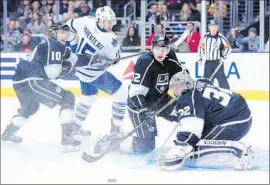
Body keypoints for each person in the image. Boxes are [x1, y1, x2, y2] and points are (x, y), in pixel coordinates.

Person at [1, 23, 96, 152]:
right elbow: (53, 72)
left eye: (66, 34)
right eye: (62, 33)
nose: (65, 36)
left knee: (30, 108)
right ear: (54, 34)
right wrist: (67, 68)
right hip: (32, 79)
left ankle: (8, 134)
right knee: (67, 98)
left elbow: (76, 59)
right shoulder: (53, 44)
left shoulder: (59, 47)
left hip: (20, 81)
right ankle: (67, 139)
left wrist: (96, 60)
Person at [158, 71, 253, 170]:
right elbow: (196, 106)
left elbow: (191, 130)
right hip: (241, 115)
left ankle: (237, 150)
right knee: (200, 139)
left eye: (176, 87)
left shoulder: (189, 96)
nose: (174, 92)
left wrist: (181, 146)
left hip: (235, 122)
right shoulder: (199, 83)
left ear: (185, 85)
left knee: (195, 147)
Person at [65, 6, 127, 139]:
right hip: (93, 74)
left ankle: (74, 128)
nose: (111, 24)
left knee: (89, 97)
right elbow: (114, 60)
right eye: (107, 21)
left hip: (79, 69)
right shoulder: (111, 40)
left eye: (112, 21)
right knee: (121, 92)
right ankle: (116, 130)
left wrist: (71, 43)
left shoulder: (87, 21)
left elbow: (68, 25)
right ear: (99, 20)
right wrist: (110, 61)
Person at [127, 35, 186, 154]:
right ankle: (133, 152)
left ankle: (191, 140)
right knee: (147, 145)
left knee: (185, 112)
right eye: (158, 49)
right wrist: (143, 109)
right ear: (152, 48)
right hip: (139, 104)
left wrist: (184, 82)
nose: (161, 52)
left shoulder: (171, 58)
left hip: (160, 100)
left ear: (168, 49)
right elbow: (135, 91)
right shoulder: (144, 62)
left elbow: (179, 77)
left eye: (164, 49)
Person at [198, 19, 231, 89]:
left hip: (217, 62)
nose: (213, 28)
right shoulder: (205, 37)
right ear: (209, 27)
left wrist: (224, 57)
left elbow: (228, 48)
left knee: (221, 80)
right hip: (208, 62)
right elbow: (201, 47)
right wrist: (200, 58)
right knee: (207, 80)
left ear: (217, 27)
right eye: (211, 26)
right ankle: (206, 96)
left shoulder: (221, 37)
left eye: (215, 26)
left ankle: (228, 94)